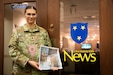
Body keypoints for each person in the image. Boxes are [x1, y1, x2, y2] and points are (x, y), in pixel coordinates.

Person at [8, 5, 58, 75]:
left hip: (39, 72)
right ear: (25, 15)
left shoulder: (43, 32)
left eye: (33, 14)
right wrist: (28, 61)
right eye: (29, 14)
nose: (31, 16)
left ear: (36, 15)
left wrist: (52, 64)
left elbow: (49, 49)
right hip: (22, 71)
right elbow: (12, 50)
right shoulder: (17, 31)